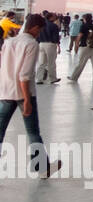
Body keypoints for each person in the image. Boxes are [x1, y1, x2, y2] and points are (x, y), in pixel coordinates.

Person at [0, 14, 62, 178]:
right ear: (34, 27)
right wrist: (27, 100)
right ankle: (42, 169)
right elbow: (24, 75)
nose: (39, 33)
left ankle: (43, 168)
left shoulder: (9, 42)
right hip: (23, 93)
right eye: (39, 29)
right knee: (33, 132)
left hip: (5, 93)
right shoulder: (31, 44)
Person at [67, 13, 93, 85]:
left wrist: (76, 44)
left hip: (84, 46)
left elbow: (80, 36)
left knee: (81, 62)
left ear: (85, 19)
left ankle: (74, 77)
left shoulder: (84, 26)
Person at [35, 12, 60, 84]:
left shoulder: (40, 25)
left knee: (41, 63)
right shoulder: (53, 26)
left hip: (41, 44)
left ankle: (38, 79)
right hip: (50, 44)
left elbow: (37, 35)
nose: (55, 18)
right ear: (51, 17)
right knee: (51, 62)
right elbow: (56, 37)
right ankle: (52, 78)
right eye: (54, 16)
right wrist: (57, 43)